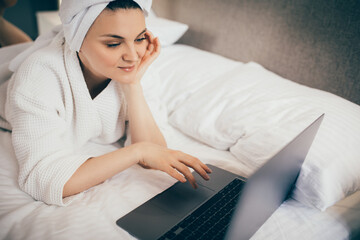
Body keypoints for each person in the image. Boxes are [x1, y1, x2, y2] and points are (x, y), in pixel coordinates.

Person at [0, 0, 211, 206]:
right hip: (9, 88)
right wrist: (137, 151)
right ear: (76, 40)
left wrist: (132, 85)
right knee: (15, 52)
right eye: (114, 44)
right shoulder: (37, 77)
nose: (132, 56)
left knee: (21, 45)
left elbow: (155, 153)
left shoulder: (137, 64)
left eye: (139, 38)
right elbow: (43, 179)